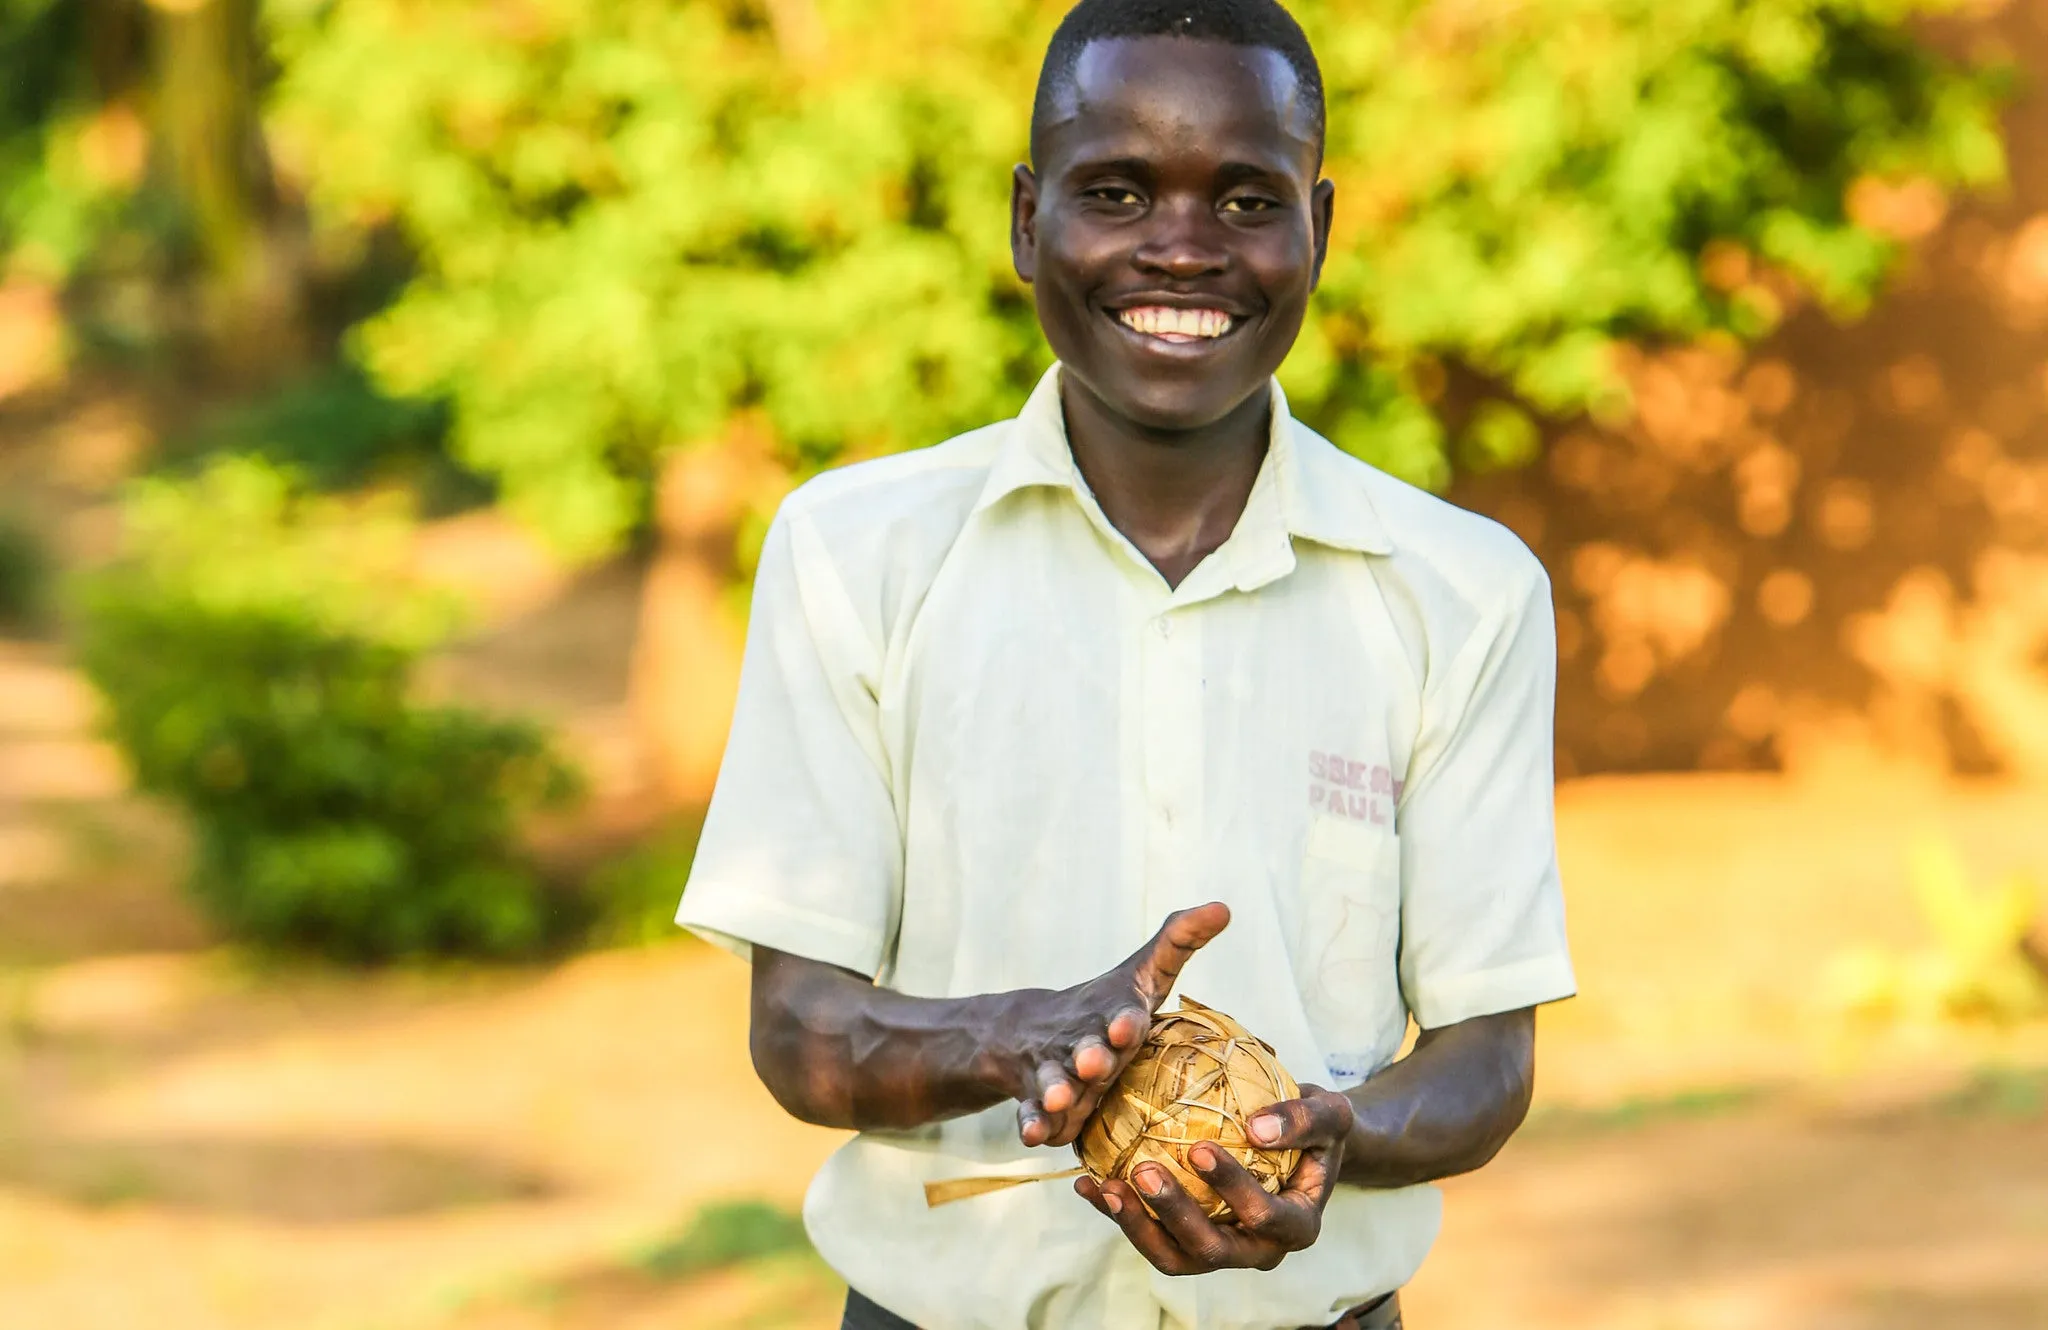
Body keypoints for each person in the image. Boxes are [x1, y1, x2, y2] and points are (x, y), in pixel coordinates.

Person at [675, 1, 1577, 1325]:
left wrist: (1339, 1133)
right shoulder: (856, 554)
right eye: (1117, 191)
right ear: (1027, 220)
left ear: (1318, 227)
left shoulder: (1460, 589)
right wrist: (1024, 1032)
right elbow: (798, 1026)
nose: (1181, 248)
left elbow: (1489, 1052)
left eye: (1245, 201)